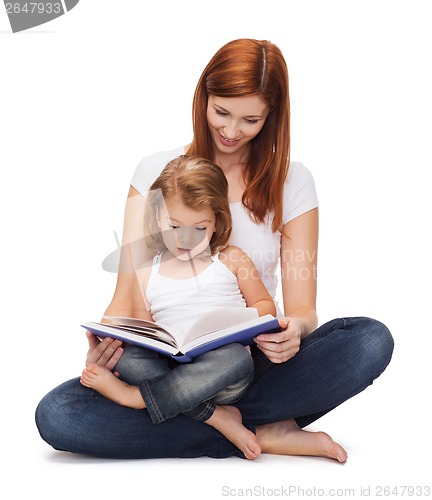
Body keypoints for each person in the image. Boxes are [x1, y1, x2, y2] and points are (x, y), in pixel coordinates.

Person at [35, 38, 394, 461]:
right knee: (58, 414)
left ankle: (197, 417)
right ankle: (249, 425)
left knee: (369, 340)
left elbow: (302, 311)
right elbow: (126, 298)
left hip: (246, 360)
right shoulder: (155, 172)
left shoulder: (293, 183)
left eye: (250, 119)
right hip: (163, 362)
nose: (230, 130)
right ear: (203, 96)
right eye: (221, 111)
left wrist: (292, 332)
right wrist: (107, 342)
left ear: (273, 117)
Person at [80, 155, 278, 460]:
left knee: (237, 358)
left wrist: (247, 321)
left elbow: (266, 305)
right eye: (174, 226)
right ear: (158, 218)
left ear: (217, 222)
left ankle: (135, 398)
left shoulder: (230, 258)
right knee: (128, 356)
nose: (186, 239)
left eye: (199, 229)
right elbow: (147, 332)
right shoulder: (148, 271)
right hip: (170, 370)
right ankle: (214, 416)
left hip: (222, 373)